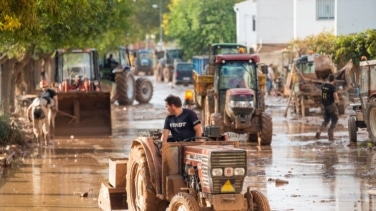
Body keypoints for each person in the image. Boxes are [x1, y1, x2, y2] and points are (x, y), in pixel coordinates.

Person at [315, 74, 339, 140]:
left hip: (324, 105)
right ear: (333, 80)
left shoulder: (323, 86)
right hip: (331, 105)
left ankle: (319, 131)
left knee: (326, 120)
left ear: (328, 79)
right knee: (335, 119)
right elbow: (336, 97)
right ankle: (330, 133)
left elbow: (321, 94)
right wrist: (337, 103)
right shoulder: (333, 87)